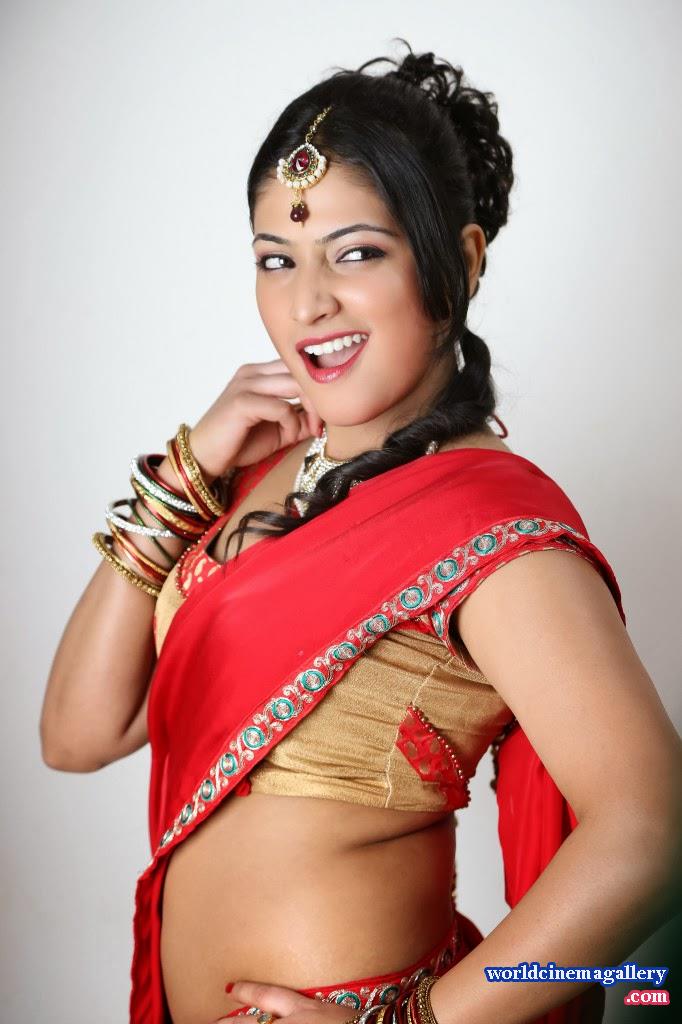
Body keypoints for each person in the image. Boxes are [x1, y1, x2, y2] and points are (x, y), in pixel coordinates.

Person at [40, 39, 680, 1024]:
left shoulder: (489, 530)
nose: (308, 303)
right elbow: (78, 733)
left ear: (459, 262)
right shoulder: (252, 481)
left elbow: (653, 830)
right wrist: (185, 473)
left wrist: (425, 1023)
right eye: (276, 259)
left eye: (357, 253)